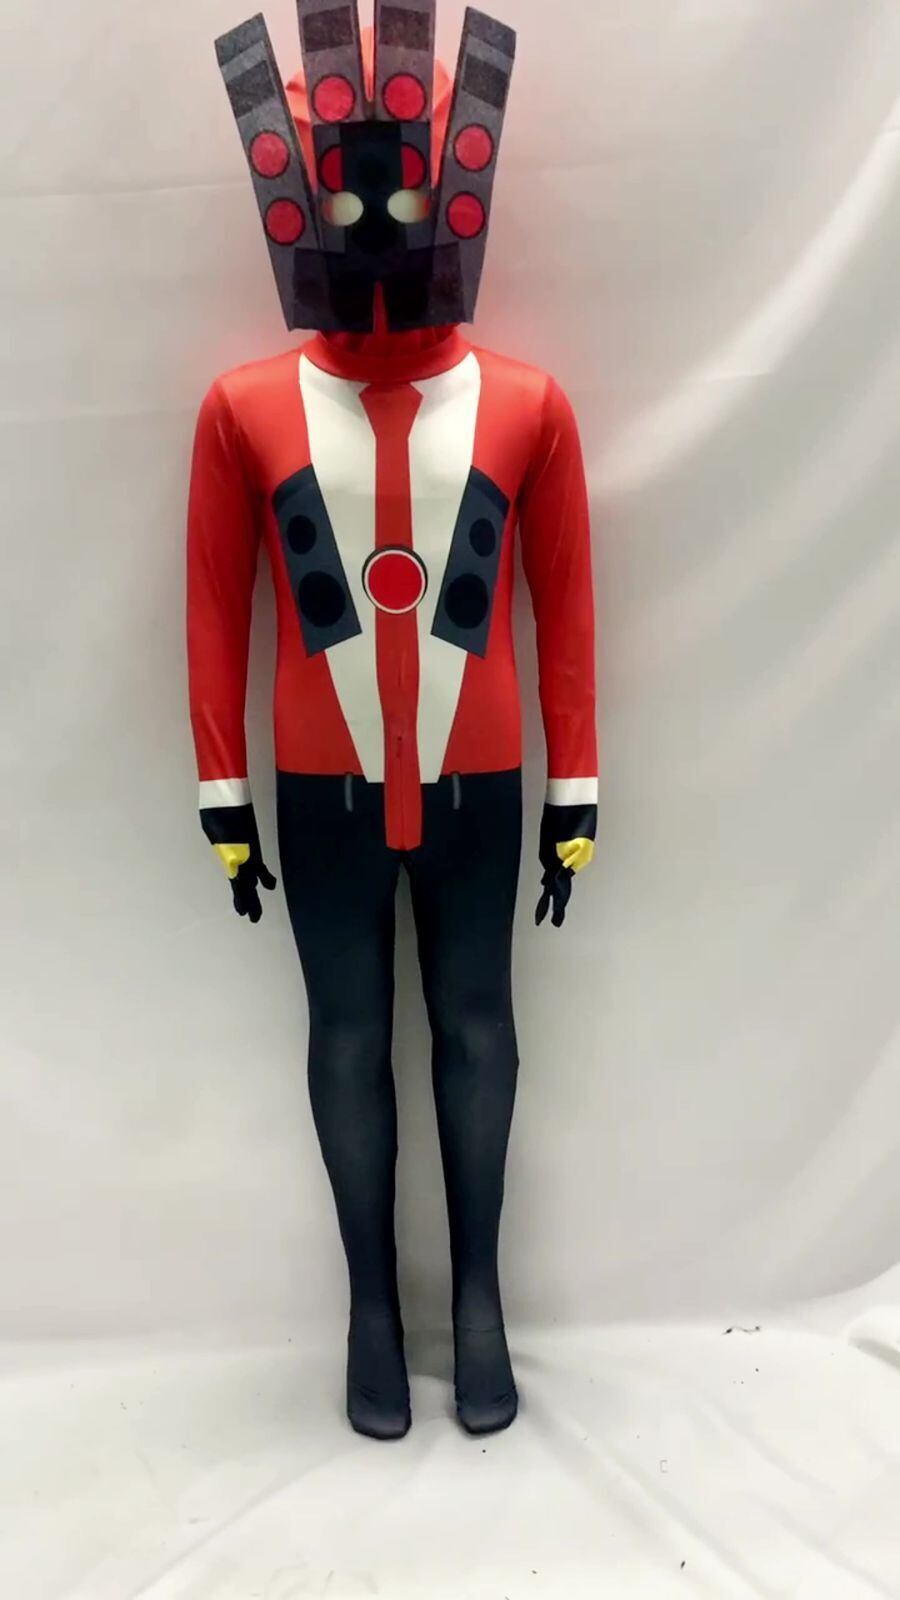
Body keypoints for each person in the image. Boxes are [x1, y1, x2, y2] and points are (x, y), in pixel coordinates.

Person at [187, 0, 598, 1440]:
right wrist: (224, 798)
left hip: (480, 778)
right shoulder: (243, 408)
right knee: (349, 1033)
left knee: (478, 1028)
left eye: (404, 193)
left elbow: (565, 607)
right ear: (295, 196)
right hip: (325, 785)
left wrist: (576, 790)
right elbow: (214, 610)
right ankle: (373, 1308)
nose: (373, 221)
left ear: (458, 189)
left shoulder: (529, 405)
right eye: (349, 190)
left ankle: (476, 1301)